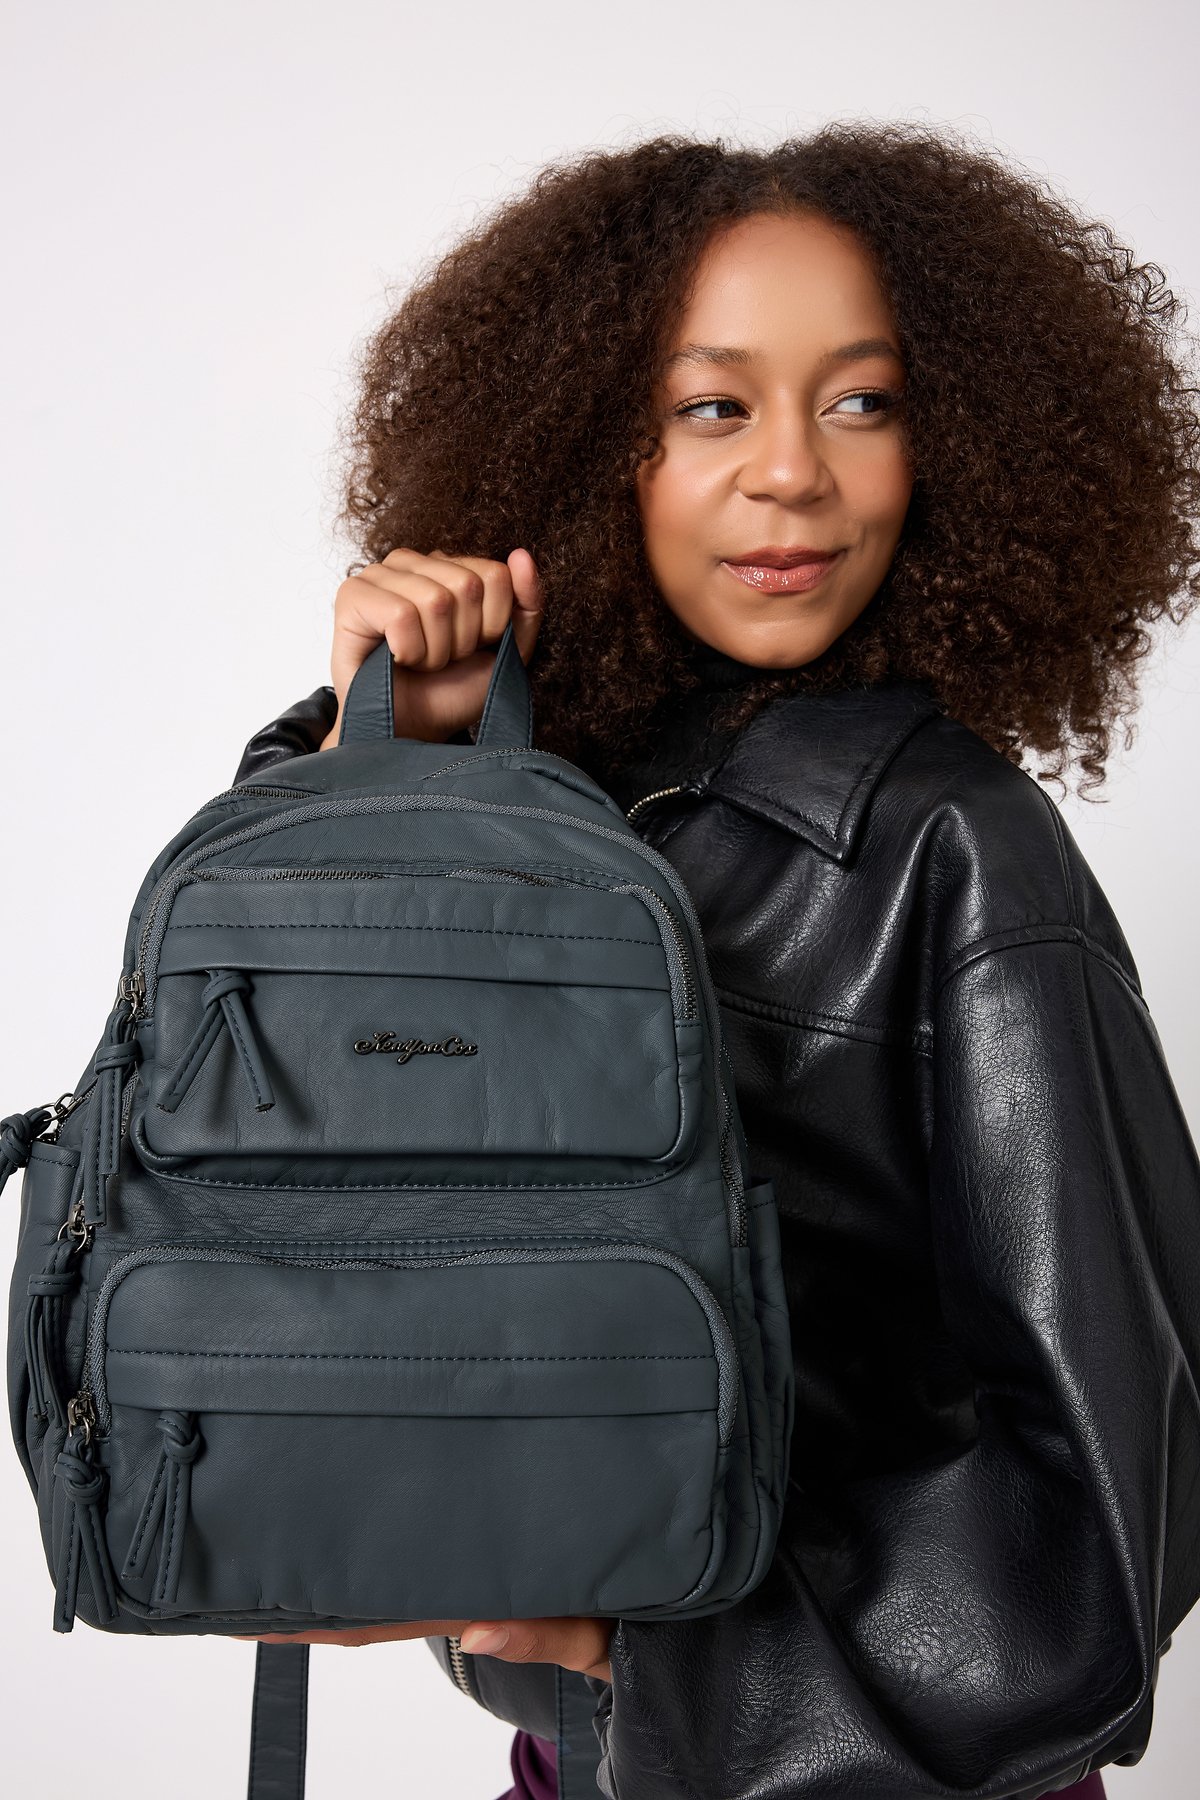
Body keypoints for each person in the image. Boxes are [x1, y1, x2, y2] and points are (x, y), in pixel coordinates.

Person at [231, 124, 1200, 1799]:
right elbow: (294, 1158)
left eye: (863, 400)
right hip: (585, 1764)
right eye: (712, 408)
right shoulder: (558, 806)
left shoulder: (958, 848)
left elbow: (1107, 1520)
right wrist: (383, 774)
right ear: (595, 447)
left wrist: (634, 1643)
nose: (793, 474)